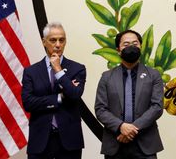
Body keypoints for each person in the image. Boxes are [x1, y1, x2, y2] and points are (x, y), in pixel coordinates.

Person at [94, 29, 164, 159]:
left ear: (141, 47)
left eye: (135, 44)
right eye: (126, 45)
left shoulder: (153, 75)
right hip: (115, 143)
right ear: (118, 49)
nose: (131, 47)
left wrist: (131, 129)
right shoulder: (106, 77)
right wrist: (120, 126)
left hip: (145, 145)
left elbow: (157, 107)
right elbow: (100, 109)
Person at [21, 22, 86, 159]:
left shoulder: (77, 68)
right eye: (53, 40)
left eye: (61, 40)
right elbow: (28, 103)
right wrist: (59, 98)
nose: (58, 44)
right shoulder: (31, 72)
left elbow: (74, 95)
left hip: (69, 141)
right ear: (44, 42)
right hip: (40, 141)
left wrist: (58, 71)